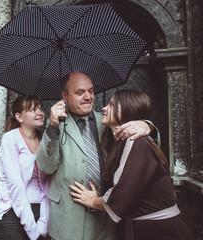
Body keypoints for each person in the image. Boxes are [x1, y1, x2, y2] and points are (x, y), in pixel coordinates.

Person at [36, 72, 154, 240]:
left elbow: (144, 147)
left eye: (91, 91)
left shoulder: (107, 120)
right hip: (66, 219)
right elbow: (45, 167)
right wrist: (54, 126)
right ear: (65, 96)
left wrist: (147, 125)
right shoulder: (55, 124)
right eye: (80, 92)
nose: (88, 97)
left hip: (104, 218)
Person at [69, 89, 194, 240]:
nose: (104, 108)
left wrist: (93, 201)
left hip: (162, 231)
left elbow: (123, 191)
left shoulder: (136, 142)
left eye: (111, 104)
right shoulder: (119, 142)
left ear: (128, 109)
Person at [0, 95, 50, 240]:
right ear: (19, 117)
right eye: (33, 109)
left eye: (40, 109)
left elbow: (49, 184)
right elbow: (15, 185)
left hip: (40, 212)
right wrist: (33, 231)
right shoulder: (10, 139)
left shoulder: (46, 140)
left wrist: (43, 222)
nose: (40, 113)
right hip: (12, 212)